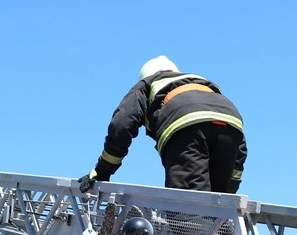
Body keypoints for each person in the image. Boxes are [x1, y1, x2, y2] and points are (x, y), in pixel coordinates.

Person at [79, 56, 247, 194]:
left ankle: (196, 232)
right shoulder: (201, 83)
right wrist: (227, 191)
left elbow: (122, 124)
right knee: (217, 203)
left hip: (186, 124)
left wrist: (102, 171)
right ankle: (222, 234)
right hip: (232, 123)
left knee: (188, 204)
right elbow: (239, 153)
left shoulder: (148, 83)